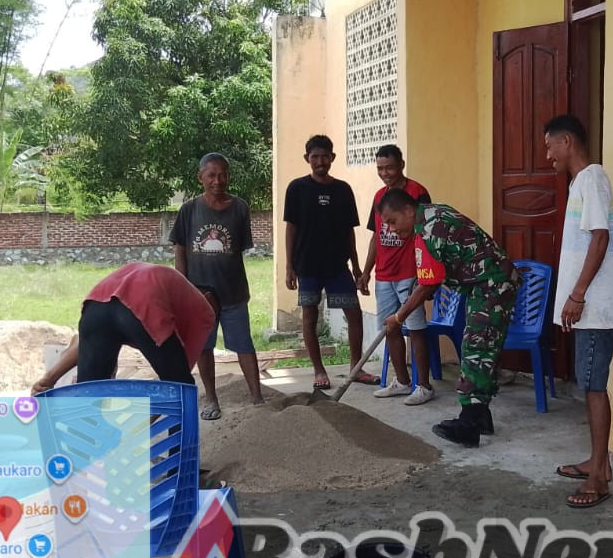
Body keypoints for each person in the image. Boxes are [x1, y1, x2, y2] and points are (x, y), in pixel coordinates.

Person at [377, 188, 520, 448]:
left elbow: (427, 286)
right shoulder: (431, 216)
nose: (391, 229)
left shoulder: (429, 229)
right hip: (486, 284)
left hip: (491, 285)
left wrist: (398, 317)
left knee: (476, 349)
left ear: (408, 211)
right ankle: (481, 415)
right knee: (482, 349)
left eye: (392, 221)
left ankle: (468, 424)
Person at [543, 115, 613, 509]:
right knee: (590, 384)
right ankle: (598, 463)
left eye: (550, 147)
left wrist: (577, 295)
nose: (548, 156)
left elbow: (600, 236)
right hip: (588, 307)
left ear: (566, 141)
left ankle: (598, 479)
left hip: (594, 306)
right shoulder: (583, 182)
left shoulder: (592, 178)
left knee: (594, 387)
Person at [169, 152, 264, 420]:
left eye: (222, 174)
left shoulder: (240, 208)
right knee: (204, 346)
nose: (217, 180)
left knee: (244, 345)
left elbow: (238, 250)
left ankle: (257, 397)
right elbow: (180, 249)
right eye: (211, 175)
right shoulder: (189, 209)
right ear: (201, 178)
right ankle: (211, 398)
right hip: (199, 295)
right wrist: (186, 289)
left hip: (233, 293)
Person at [30, 262, 220, 394]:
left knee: (90, 393)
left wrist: (51, 377)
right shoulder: (205, 309)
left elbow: (83, 343)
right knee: (181, 387)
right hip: (143, 301)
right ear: (209, 297)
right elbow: (176, 379)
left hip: (96, 303)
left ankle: (87, 450)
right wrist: (139, 430)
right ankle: (179, 452)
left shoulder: (168, 287)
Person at [284, 135, 377, 390]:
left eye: (325, 156)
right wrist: (289, 267)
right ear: (307, 159)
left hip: (338, 267)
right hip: (307, 267)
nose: (320, 161)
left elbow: (350, 232)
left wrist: (357, 267)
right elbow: (291, 229)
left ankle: (356, 367)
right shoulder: (296, 188)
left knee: (354, 315)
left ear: (333, 158)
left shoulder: (343, 190)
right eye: (315, 156)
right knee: (309, 316)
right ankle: (318, 370)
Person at [357, 144, 435, 405]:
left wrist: (422, 272)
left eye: (389, 167)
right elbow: (376, 236)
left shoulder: (417, 192)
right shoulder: (379, 196)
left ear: (401, 164)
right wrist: (367, 271)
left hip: (410, 273)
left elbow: (427, 232)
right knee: (390, 327)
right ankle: (402, 381)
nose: (385, 173)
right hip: (385, 275)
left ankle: (423, 385)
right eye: (380, 168)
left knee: (415, 329)